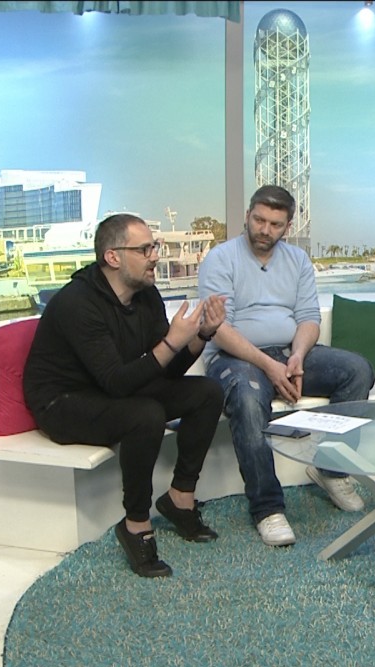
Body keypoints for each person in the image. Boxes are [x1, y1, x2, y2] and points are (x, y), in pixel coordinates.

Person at [24, 213, 227, 578]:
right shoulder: (77, 303)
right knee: (145, 415)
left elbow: (166, 370)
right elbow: (117, 382)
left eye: (154, 247)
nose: (155, 256)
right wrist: (172, 341)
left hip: (113, 389)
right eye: (145, 249)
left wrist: (201, 335)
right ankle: (135, 524)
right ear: (113, 257)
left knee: (208, 392)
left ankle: (180, 499)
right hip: (62, 402)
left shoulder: (146, 295)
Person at [198, 185, 375, 546]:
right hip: (234, 358)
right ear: (247, 216)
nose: (265, 230)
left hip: (287, 351)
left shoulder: (297, 260)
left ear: (288, 226)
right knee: (248, 398)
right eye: (259, 220)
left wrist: (296, 357)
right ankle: (267, 508)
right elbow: (220, 329)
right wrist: (269, 366)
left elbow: (309, 318)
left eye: (275, 224)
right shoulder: (221, 258)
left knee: (358, 370)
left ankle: (331, 470)